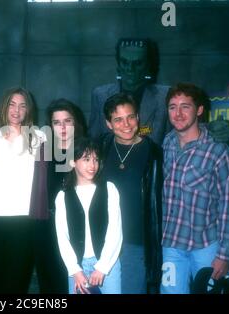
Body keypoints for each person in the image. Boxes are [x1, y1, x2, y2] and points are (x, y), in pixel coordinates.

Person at [160, 82, 229, 294]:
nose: (178, 113)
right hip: (172, 244)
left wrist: (225, 254)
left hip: (207, 245)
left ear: (199, 110)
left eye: (185, 106)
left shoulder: (219, 151)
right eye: (172, 107)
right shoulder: (166, 144)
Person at [0, 87, 44, 294]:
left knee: (17, 280)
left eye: (22, 105)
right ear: (4, 106)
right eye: (12, 104)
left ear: (28, 110)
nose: (16, 110)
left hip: (23, 217)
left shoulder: (38, 136)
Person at [98, 93, 162, 294]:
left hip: (134, 242)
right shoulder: (100, 147)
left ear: (138, 118)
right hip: (100, 240)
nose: (126, 124)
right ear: (108, 123)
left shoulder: (154, 153)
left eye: (130, 117)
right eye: (118, 119)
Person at [29, 98, 87, 294]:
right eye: (56, 122)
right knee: (50, 284)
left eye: (67, 121)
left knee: (76, 283)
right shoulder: (43, 151)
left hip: (79, 228)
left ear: (75, 122)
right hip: (48, 228)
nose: (62, 127)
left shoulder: (87, 151)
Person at [55, 137, 122, 294]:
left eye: (96, 160)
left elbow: (115, 231)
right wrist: (75, 270)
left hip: (107, 263)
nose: (92, 165)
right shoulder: (62, 196)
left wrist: (102, 267)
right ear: (72, 162)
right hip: (77, 265)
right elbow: (62, 237)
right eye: (86, 159)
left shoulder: (109, 189)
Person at [88, 38, 170, 145]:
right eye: (124, 62)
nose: (130, 69)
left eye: (137, 63)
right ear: (118, 63)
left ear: (147, 65)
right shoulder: (100, 95)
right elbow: (93, 139)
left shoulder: (164, 97)